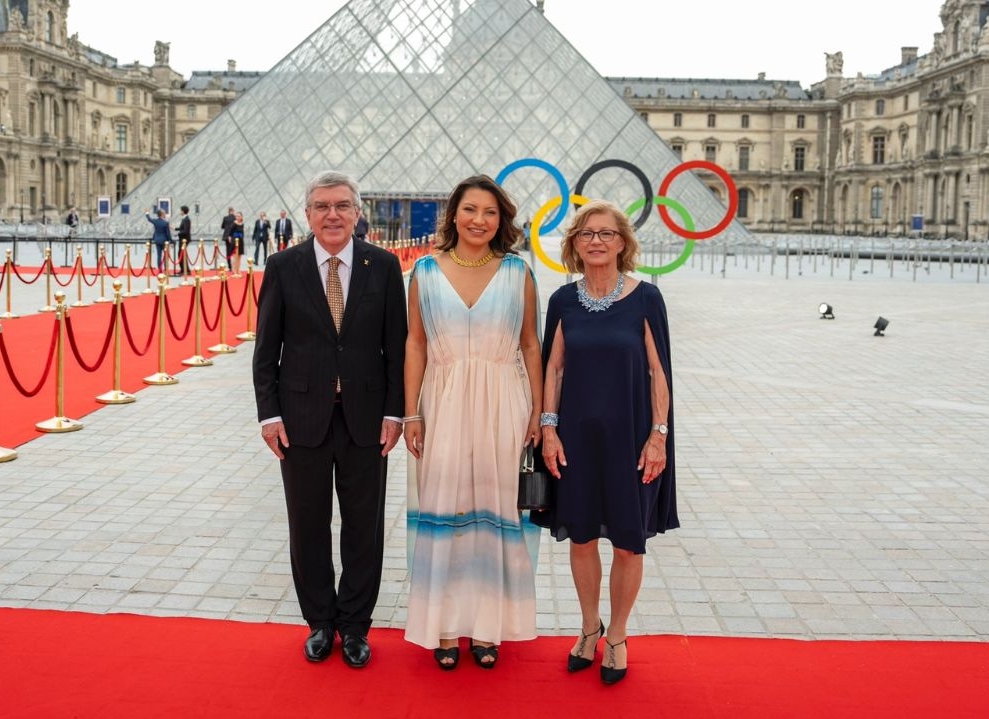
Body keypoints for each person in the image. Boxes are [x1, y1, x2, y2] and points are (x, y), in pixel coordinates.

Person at [253, 170, 406, 669]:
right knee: (308, 525)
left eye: (342, 205)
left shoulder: (382, 266)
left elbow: (396, 347)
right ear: (308, 214)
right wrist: (269, 415)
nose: (333, 214)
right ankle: (319, 621)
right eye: (322, 206)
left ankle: (355, 625)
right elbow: (266, 349)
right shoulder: (283, 265)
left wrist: (394, 411)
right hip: (300, 419)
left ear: (357, 212)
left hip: (365, 418)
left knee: (364, 527)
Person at [532, 200, 677, 686]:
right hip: (575, 438)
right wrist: (548, 429)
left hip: (632, 438)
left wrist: (658, 437)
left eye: (607, 234)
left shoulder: (645, 298)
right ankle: (588, 627)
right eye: (586, 234)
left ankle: (617, 634)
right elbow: (553, 367)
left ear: (623, 243)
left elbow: (660, 372)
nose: (596, 241)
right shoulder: (562, 301)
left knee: (629, 544)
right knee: (581, 536)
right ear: (573, 243)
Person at [402, 175, 542, 670]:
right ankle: (442, 627)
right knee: (446, 507)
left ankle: (488, 629)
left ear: (501, 220)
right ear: (453, 215)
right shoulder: (423, 271)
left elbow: (531, 344)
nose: (479, 220)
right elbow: (415, 343)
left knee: (494, 510)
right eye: (470, 210)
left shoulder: (517, 272)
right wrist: (411, 412)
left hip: (505, 400)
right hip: (441, 401)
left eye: (490, 212)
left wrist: (538, 414)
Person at [145, 208, 172, 272]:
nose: (165, 214)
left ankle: (160, 269)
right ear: (162, 214)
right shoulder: (165, 223)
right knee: (166, 256)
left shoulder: (155, 221)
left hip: (157, 240)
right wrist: (170, 240)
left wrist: (147, 213)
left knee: (159, 255)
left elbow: (149, 219)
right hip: (164, 241)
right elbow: (168, 233)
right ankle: (166, 269)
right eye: (164, 213)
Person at [176, 206, 192, 277]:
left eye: (181, 210)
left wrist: (178, 233)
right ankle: (185, 269)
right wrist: (175, 228)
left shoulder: (186, 219)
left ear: (183, 211)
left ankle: (184, 270)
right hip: (183, 239)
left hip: (184, 239)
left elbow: (185, 231)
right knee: (181, 254)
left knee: (181, 254)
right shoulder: (185, 219)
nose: (180, 212)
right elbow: (182, 228)